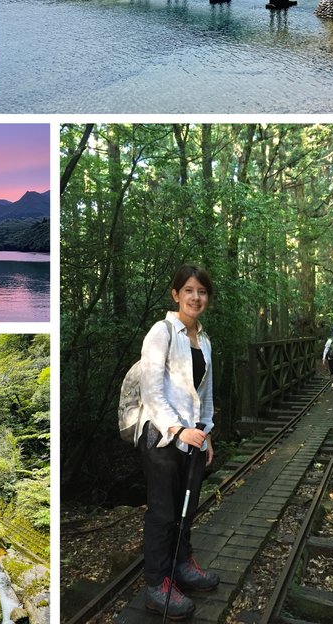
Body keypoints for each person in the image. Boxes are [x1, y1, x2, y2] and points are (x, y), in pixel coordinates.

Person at [136, 264, 220, 618]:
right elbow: (151, 390)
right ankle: (157, 583)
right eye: (188, 290)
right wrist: (177, 429)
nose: (195, 297)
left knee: (188, 507)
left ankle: (182, 566)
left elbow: (206, 392)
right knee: (163, 510)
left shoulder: (204, 339)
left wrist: (207, 432)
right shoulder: (162, 331)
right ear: (176, 294)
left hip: (194, 435)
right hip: (160, 434)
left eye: (201, 291)